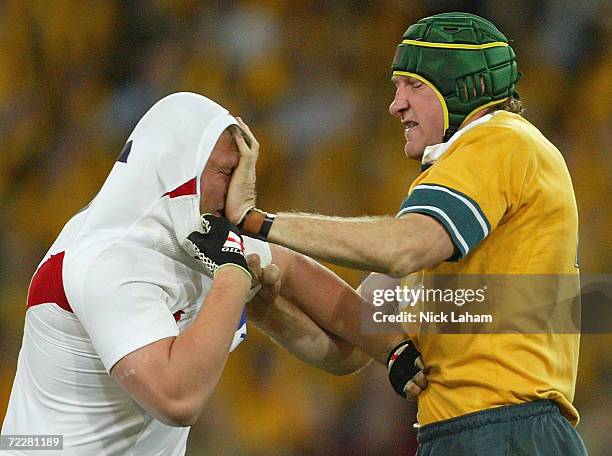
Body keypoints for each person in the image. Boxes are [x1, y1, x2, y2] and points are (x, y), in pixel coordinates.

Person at [225, 12, 588, 456]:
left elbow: (402, 248)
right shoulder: (462, 199)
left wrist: (257, 221)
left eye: (413, 85)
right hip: (475, 432)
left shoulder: (500, 140)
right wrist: (264, 302)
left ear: (461, 86)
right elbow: (346, 349)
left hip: (502, 431)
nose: (396, 104)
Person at [1, 92, 410, 455]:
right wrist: (234, 274)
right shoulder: (107, 261)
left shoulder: (196, 232)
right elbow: (177, 399)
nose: (239, 191)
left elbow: (344, 340)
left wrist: (396, 347)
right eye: (225, 172)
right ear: (176, 170)